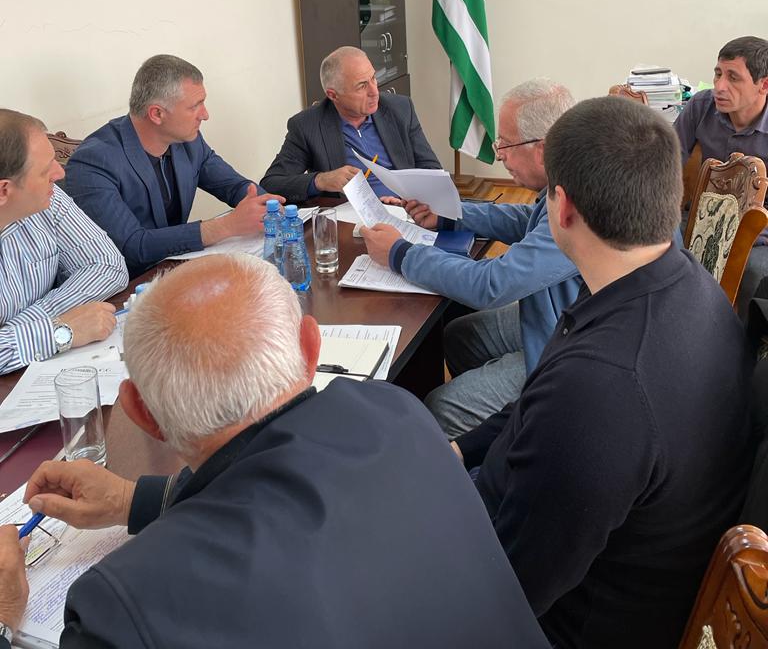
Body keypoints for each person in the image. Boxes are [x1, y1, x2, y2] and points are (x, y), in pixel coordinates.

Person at [0, 256, 550, 649]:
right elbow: (288, 500)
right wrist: (132, 502)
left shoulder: (121, 607)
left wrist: (4, 617)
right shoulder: (399, 413)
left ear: (141, 414)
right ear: (311, 349)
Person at [454, 97, 753, 649]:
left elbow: (503, 595)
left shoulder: (601, 389)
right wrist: (461, 449)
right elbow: (541, 400)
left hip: (565, 621)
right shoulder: (679, 282)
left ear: (562, 206)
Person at [362, 79, 581, 437]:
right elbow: (527, 220)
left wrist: (400, 253)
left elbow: (490, 284)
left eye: (505, 143)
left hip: (571, 351)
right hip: (559, 315)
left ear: (542, 150)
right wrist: (450, 216)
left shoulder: (576, 204)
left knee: (441, 408)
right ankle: (498, 432)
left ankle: (506, 436)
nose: (499, 154)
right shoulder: (568, 175)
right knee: (459, 336)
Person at [67, 54, 281, 277]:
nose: (205, 115)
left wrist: (267, 208)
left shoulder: (188, 141)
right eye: (195, 106)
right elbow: (132, 246)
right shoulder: (93, 162)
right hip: (124, 284)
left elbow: (234, 186)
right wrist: (226, 226)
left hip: (173, 270)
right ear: (157, 114)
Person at [0, 110, 127, 375]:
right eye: (45, 170)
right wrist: (59, 330)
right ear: (4, 191)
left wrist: (22, 329)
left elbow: (109, 266)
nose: (59, 173)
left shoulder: (47, 197)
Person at [260, 46, 441, 202]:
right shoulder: (307, 126)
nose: (374, 91)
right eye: (362, 86)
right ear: (333, 95)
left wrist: (411, 204)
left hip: (405, 209)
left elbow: (433, 172)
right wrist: (320, 180)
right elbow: (271, 184)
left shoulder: (400, 109)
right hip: (351, 220)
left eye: (373, 78)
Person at [674, 35, 768, 313]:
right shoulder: (701, 105)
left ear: (764, 85)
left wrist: (744, 236)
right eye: (718, 74)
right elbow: (668, 163)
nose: (719, 86)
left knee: (754, 274)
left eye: (733, 78)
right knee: (656, 252)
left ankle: (736, 338)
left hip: (759, 233)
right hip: (702, 218)